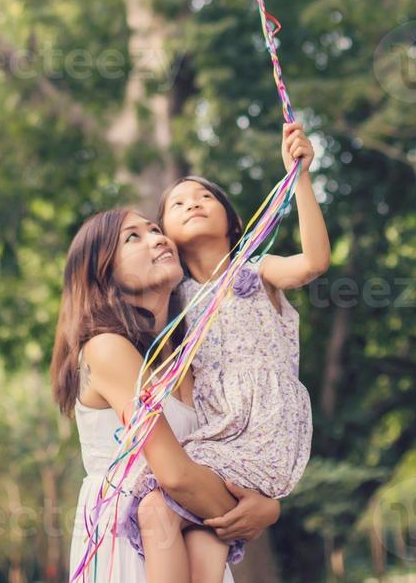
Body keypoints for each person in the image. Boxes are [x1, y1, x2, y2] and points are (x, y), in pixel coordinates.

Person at [122, 121, 328, 568]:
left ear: (234, 223)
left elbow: (313, 262)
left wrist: (301, 177)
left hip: (262, 428)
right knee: (199, 535)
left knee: (159, 503)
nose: (192, 202)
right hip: (216, 429)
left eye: (205, 197)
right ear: (164, 236)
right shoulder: (173, 301)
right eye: (177, 203)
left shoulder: (256, 272)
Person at [51, 209, 281, 581]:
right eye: (132, 237)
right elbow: (175, 475)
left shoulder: (193, 357)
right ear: (102, 272)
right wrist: (257, 511)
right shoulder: (106, 347)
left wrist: (265, 506)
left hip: (195, 532)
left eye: (156, 230)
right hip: (127, 540)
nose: (158, 239)